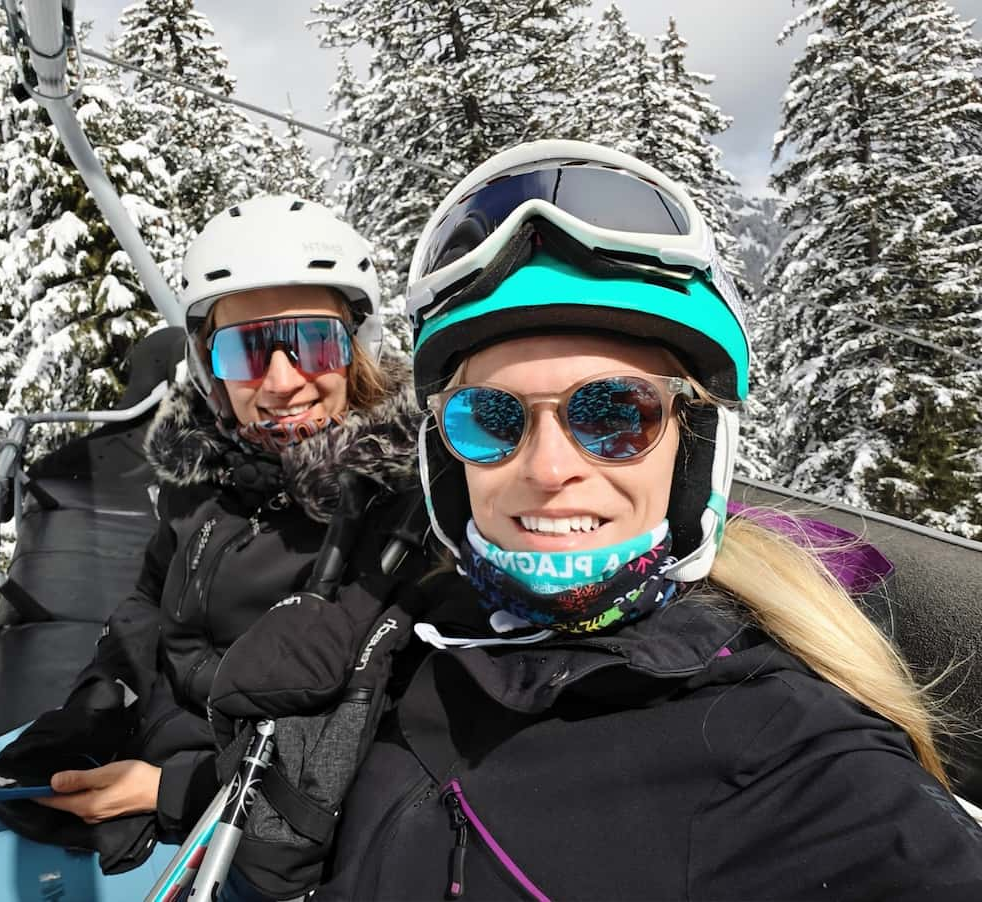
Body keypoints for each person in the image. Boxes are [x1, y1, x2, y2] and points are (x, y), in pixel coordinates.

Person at [220, 142, 982, 900]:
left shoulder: (801, 772)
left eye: (616, 413)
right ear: (447, 464)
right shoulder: (427, 645)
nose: (549, 470)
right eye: (490, 417)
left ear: (695, 447)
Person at [0, 195, 425, 901]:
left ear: (357, 346)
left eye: (314, 342)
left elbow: (370, 743)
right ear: (210, 367)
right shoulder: (207, 479)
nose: (284, 379)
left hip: (231, 811)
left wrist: (165, 789)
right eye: (248, 348)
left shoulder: (398, 515)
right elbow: (144, 610)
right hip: (145, 740)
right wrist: (92, 706)